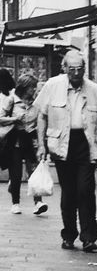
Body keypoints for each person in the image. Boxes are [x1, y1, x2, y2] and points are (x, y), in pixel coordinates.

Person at [35, 49, 97, 253]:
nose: (77, 73)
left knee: (85, 191)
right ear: (65, 68)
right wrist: (41, 145)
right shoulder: (52, 85)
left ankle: (88, 237)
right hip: (61, 144)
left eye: (80, 69)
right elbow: (41, 116)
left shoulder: (94, 89)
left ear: (85, 69)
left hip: (85, 144)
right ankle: (69, 234)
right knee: (68, 192)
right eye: (73, 69)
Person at [0, 70, 46, 216]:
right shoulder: (12, 100)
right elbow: (0, 118)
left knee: (33, 171)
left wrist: (41, 143)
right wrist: (14, 119)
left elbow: (41, 121)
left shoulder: (37, 103)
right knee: (16, 173)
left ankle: (38, 202)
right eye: (32, 87)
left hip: (30, 140)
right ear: (25, 87)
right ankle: (15, 203)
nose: (34, 90)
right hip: (15, 141)